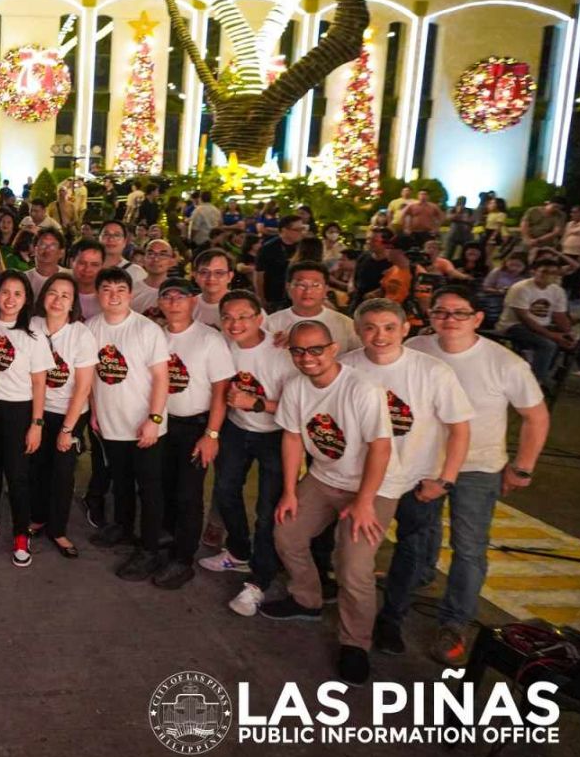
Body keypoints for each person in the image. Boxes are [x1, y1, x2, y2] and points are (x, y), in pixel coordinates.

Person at [397, 284, 551, 666]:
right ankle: (416, 578)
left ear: (478, 319)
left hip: (478, 466)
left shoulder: (505, 363)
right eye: (441, 312)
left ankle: (454, 621)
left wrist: (523, 467)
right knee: (418, 531)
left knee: (468, 546)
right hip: (424, 462)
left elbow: (536, 416)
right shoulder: (416, 347)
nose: (449, 320)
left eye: (459, 313)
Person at [329, 298, 477, 658]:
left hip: (416, 480)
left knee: (410, 551)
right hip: (363, 482)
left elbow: (459, 429)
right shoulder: (344, 367)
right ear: (357, 330)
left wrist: (444, 479)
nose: (379, 336)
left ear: (405, 329)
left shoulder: (432, 371)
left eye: (389, 327)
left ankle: (392, 617)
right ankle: (353, 622)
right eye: (370, 328)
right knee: (356, 557)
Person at [260, 319, 397, 687]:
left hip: (372, 486)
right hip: (323, 477)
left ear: (333, 349)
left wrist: (365, 501)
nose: (307, 358)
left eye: (315, 349)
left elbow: (381, 448)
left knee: (353, 566)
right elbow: (291, 438)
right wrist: (290, 491)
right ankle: (307, 599)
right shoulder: (296, 387)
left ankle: (356, 643)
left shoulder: (361, 388)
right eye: (298, 351)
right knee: (287, 532)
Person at [119, 279, 233, 589]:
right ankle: (158, 545)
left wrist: (211, 433)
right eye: (166, 296)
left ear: (193, 301)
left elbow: (221, 391)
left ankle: (183, 559)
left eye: (180, 296)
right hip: (160, 423)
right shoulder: (154, 335)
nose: (173, 302)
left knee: (188, 494)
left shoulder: (209, 339)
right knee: (157, 489)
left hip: (195, 425)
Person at [200, 290, 303, 615]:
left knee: (267, 511)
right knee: (226, 491)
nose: (235, 323)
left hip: (276, 435)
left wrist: (256, 403)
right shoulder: (222, 344)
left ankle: (260, 579)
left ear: (260, 318)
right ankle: (239, 552)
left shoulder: (282, 351)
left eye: (244, 316)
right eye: (228, 317)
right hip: (235, 429)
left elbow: (301, 406)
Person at [82, 266, 171, 548]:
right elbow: (91, 376)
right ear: (98, 294)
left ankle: (149, 547)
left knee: (149, 488)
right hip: (111, 423)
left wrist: (154, 419)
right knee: (120, 482)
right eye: (107, 290)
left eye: (121, 290)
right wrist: (95, 411)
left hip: (145, 424)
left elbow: (161, 377)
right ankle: (122, 527)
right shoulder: (91, 327)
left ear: (131, 295)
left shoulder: (147, 329)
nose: (114, 296)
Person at [0, 271, 52, 568]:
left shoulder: (33, 333)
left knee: (17, 474)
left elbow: (40, 383)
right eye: (5, 292)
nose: (10, 299)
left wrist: (37, 424)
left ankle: (21, 531)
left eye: (18, 293)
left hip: (19, 410)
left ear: (26, 299)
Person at [25, 274, 97, 560]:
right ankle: (38, 517)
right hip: (36, 408)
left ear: (73, 303)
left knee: (63, 471)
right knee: (36, 465)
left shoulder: (81, 334)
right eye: (52, 293)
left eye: (65, 295)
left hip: (69, 413)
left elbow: (83, 387)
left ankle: (58, 529)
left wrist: (67, 429)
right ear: (43, 297)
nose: (57, 300)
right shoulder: (32, 326)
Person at [503, 256, 580, 391]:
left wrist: (569, 334)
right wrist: (553, 336)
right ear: (534, 271)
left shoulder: (557, 290)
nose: (549, 276)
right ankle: (534, 384)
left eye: (553, 273)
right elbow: (524, 318)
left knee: (577, 345)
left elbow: (559, 315)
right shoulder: (521, 288)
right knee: (547, 345)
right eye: (545, 271)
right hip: (514, 326)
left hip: (542, 326)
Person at [264, 261, 363, 352]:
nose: (308, 291)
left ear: (326, 289)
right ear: (288, 287)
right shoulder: (270, 323)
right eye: (301, 285)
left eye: (316, 285)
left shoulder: (346, 325)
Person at [253, 215, 306, 311]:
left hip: (299, 296)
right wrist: (261, 298)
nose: (301, 232)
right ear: (284, 230)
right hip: (274, 296)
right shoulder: (268, 248)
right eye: (297, 229)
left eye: (302, 229)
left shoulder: (303, 247)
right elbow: (259, 275)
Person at [127, 240, 179, 320]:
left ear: (171, 261)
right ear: (144, 259)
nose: (156, 259)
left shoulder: (179, 293)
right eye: (150, 254)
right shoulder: (131, 290)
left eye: (162, 254)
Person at [24, 228, 68, 298]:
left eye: (52, 246)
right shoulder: (23, 279)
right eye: (42, 245)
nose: (47, 250)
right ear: (35, 250)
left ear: (61, 252)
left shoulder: (71, 277)